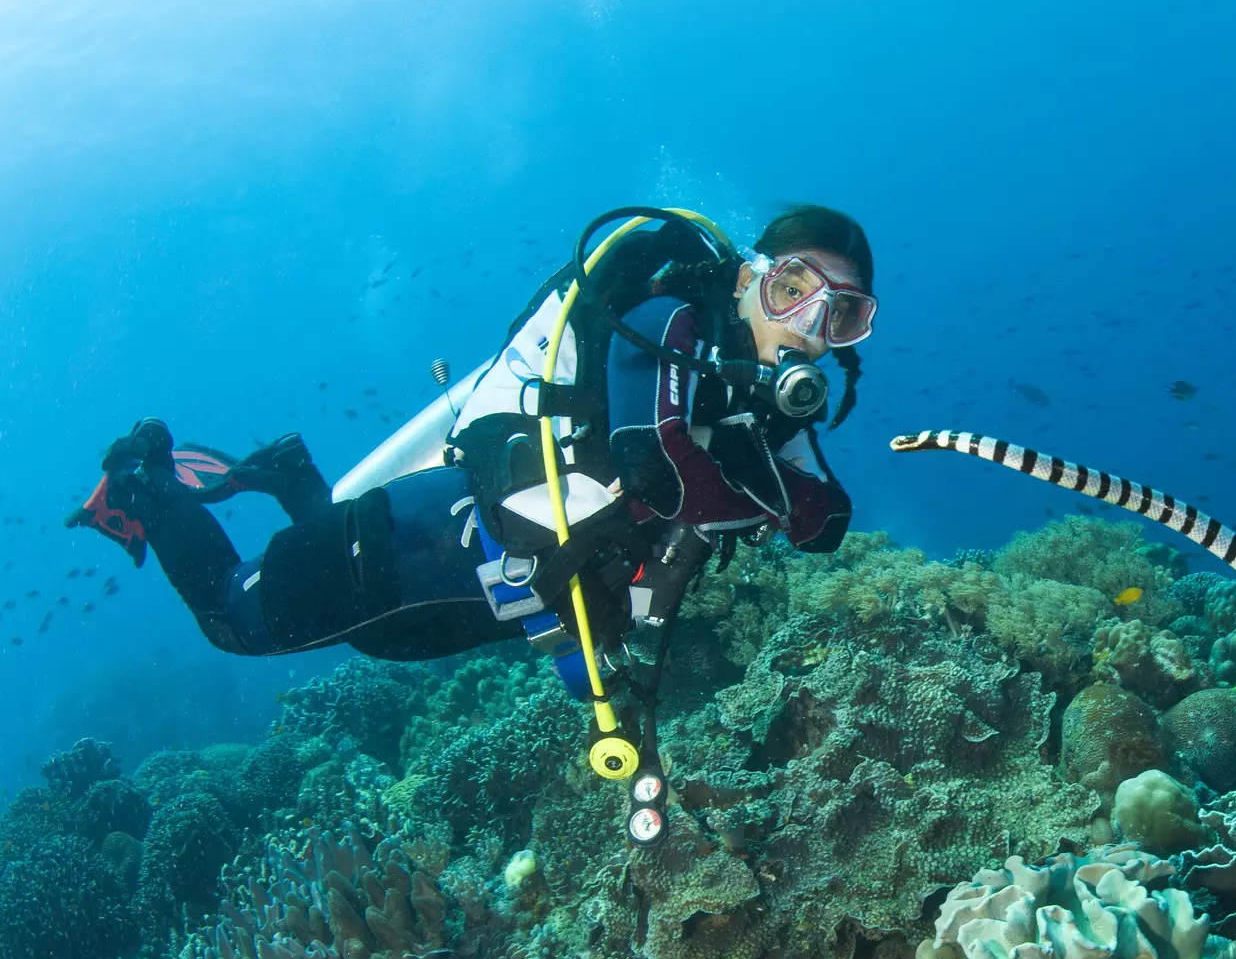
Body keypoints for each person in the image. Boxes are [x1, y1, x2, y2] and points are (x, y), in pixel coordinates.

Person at [70, 204, 873, 692]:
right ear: (747, 280)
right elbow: (656, 474)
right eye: (794, 290)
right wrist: (764, 493)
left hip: (488, 597)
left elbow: (827, 520)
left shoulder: (763, 407)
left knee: (368, 640)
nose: (808, 327)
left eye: (841, 317)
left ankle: (291, 474)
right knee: (233, 619)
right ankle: (145, 481)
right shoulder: (670, 325)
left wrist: (760, 470)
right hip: (421, 548)